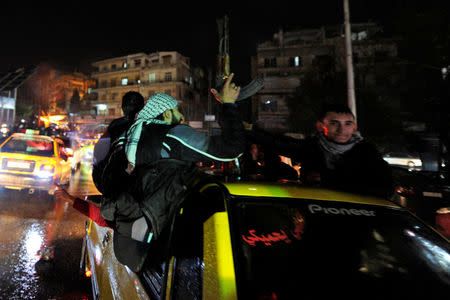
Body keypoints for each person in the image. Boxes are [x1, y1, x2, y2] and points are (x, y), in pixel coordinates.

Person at [101, 74, 245, 272]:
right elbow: (231, 149)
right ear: (166, 113)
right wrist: (228, 104)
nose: (183, 117)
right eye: (178, 111)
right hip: (163, 251)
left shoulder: (126, 139)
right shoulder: (173, 135)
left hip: (128, 245)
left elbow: (104, 182)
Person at [246, 104, 394, 198]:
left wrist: (329, 180)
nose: (342, 129)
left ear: (354, 127)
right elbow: (274, 141)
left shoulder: (367, 152)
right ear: (320, 126)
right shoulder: (312, 148)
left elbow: (385, 189)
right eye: (334, 123)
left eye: (347, 124)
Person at [92, 91, 145, 192]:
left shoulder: (115, 125)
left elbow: (99, 152)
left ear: (122, 108)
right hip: (140, 187)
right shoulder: (148, 126)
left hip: (116, 185)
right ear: (143, 107)